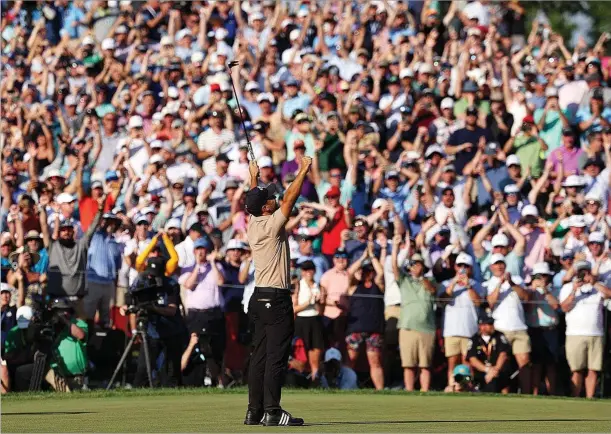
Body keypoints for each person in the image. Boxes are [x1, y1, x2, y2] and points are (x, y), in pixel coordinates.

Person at [243, 156, 311, 427]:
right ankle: (272, 411)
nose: (274, 199)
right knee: (275, 357)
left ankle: (254, 410)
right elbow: (289, 200)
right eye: (269, 198)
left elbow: (254, 200)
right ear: (264, 207)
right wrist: (304, 169)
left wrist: (253, 176)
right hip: (276, 298)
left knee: (259, 356)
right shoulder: (271, 225)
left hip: (259, 298)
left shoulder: (252, 221)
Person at [178, 237, 226, 387]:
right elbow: (188, 285)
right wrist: (198, 267)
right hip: (196, 315)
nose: (200, 252)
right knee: (197, 346)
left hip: (214, 313)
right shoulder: (188, 269)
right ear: (194, 252)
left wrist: (212, 262)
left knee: (215, 348)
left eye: (203, 249)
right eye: (198, 249)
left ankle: (217, 380)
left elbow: (221, 282)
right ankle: (195, 379)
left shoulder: (216, 267)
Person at [559, 261, 611, 398]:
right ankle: (576, 398)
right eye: (580, 271)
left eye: (586, 271)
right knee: (577, 370)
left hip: (596, 334)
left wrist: (594, 283)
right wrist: (574, 290)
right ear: (575, 273)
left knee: (593, 370)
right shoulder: (568, 287)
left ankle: (590, 399)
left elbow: (609, 294)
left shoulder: (598, 287)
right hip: (575, 334)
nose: (583, 274)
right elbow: (564, 307)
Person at [392, 236, 437, 392]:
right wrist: (396, 248)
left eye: (418, 263)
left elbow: (432, 290)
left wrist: (421, 276)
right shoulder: (405, 281)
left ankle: (425, 392)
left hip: (427, 328)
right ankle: (410, 392)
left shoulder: (430, 280)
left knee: (425, 365)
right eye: (412, 264)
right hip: (408, 327)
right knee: (408, 364)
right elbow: (394, 267)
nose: (415, 266)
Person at [345, 242, 385, 390]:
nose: (366, 273)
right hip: (355, 329)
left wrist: (373, 257)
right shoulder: (354, 286)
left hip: (374, 329)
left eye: (368, 270)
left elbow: (381, 273)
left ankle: (380, 390)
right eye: (364, 270)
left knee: (375, 361)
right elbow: (349, 272)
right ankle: (346, 387)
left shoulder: (378, 285)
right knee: (351, 359)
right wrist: (363, 257)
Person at [292, 260, 325, 381]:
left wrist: (319, 302)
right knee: (300, 354)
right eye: (305, 270)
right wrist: (307, 303)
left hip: (315, 320)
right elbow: (293, 309)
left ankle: (315, 379)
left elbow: (321, 310)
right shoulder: (298, 285)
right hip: (301, 320)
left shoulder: (319, 286)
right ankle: (298, 380)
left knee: (315, 352)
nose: (308, 272)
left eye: (310, 269)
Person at [467, 309, 511, 393]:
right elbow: (472, 359)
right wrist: (487, 370)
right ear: (481, 325)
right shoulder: (474, 339)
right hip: (481, 373)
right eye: (489, 324)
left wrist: (495, 370)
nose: (492, 326)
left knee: (502, 380)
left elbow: (503, 354)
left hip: (497, 372)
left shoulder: (499, 336)